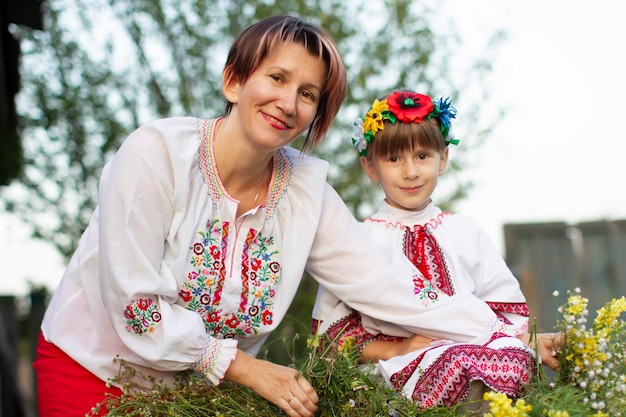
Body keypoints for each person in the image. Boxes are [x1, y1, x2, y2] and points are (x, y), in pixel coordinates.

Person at [32, 16, 509, 417]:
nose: (288, 103)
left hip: (200, 399)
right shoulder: (155, 155)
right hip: (94, 374)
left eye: (308, 93)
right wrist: (245, 368)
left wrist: (503, 336)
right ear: (234, 81)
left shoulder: (307, 191)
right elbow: (135, 304)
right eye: (277, 78)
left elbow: (388, 285)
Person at [312, 89, 563, 410]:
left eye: (422, 156)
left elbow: (506, 307)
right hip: (393, 366)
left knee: (511, 360)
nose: (411, 172)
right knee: (452, 365)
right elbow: (332, 339)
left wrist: (508, 339)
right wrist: (396, 348)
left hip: (476, 357)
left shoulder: (464, 231)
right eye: (393, 159)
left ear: (442, 159)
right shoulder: (358, 240)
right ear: (370, 167)